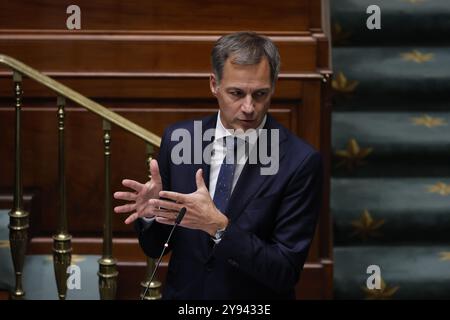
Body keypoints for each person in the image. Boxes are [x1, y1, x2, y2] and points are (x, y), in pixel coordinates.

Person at [113, 31, 323, 299]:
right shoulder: (180, 140)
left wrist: (219, 227)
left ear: (274, 87)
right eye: (237, 93)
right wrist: (152, 215)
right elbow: (156, 248)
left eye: (260, 94)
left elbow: (284, 270)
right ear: (214, 84)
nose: (249, 107)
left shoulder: (299, 161)